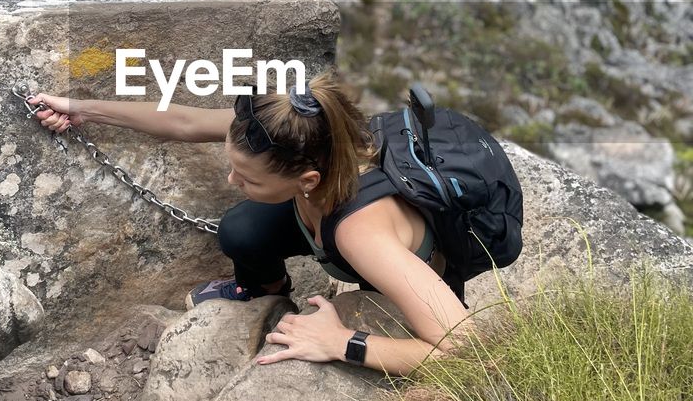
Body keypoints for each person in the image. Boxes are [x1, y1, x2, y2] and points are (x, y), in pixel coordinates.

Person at [27, 71, 476, 376]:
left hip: (380, 253)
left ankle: (390, 292)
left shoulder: (364, 235)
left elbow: (466, 351)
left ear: (307, 180)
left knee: (301, 239)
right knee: (242, 228)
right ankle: (266, 289)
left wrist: (342, 342)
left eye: (247, 178)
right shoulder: (287, 133)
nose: (231, 179)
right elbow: (184, 120)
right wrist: (83, 109)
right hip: (329, 221)